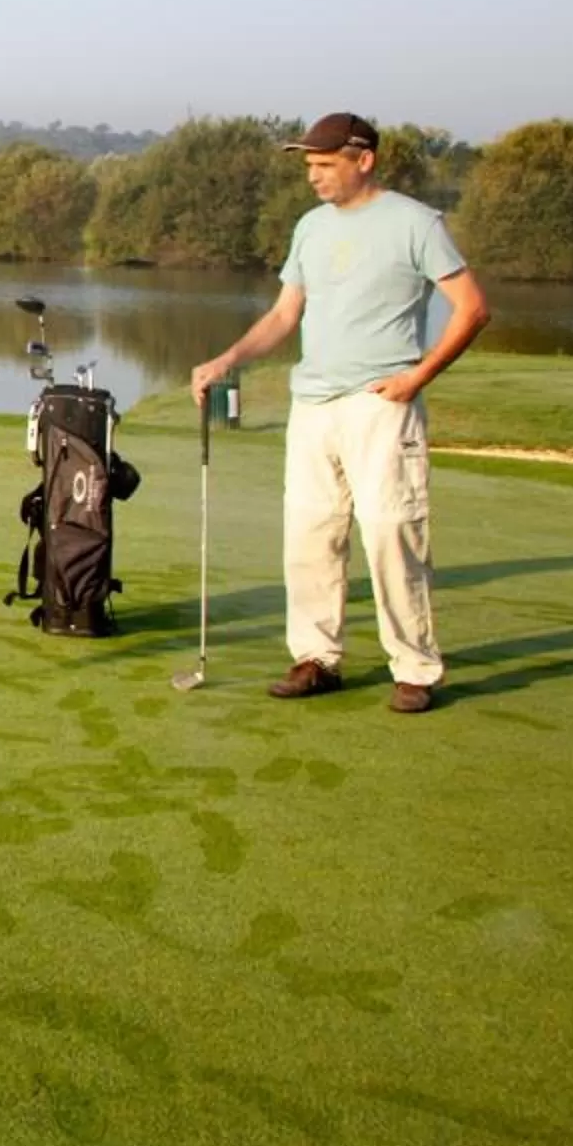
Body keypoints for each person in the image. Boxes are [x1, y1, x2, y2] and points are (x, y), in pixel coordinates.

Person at [189, 113, 491, 713]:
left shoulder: (416, 223)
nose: (314, 175)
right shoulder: (310, 227)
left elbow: (472, 308)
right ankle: (316, 659)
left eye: (325, 164)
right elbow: (285, 315)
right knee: (310, 535)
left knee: (391, 534)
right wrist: (227, 359)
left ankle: (414, 669)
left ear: (364, 160)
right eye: (309, 164)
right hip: (313, 405)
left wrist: (417, 377)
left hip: (381, 405)